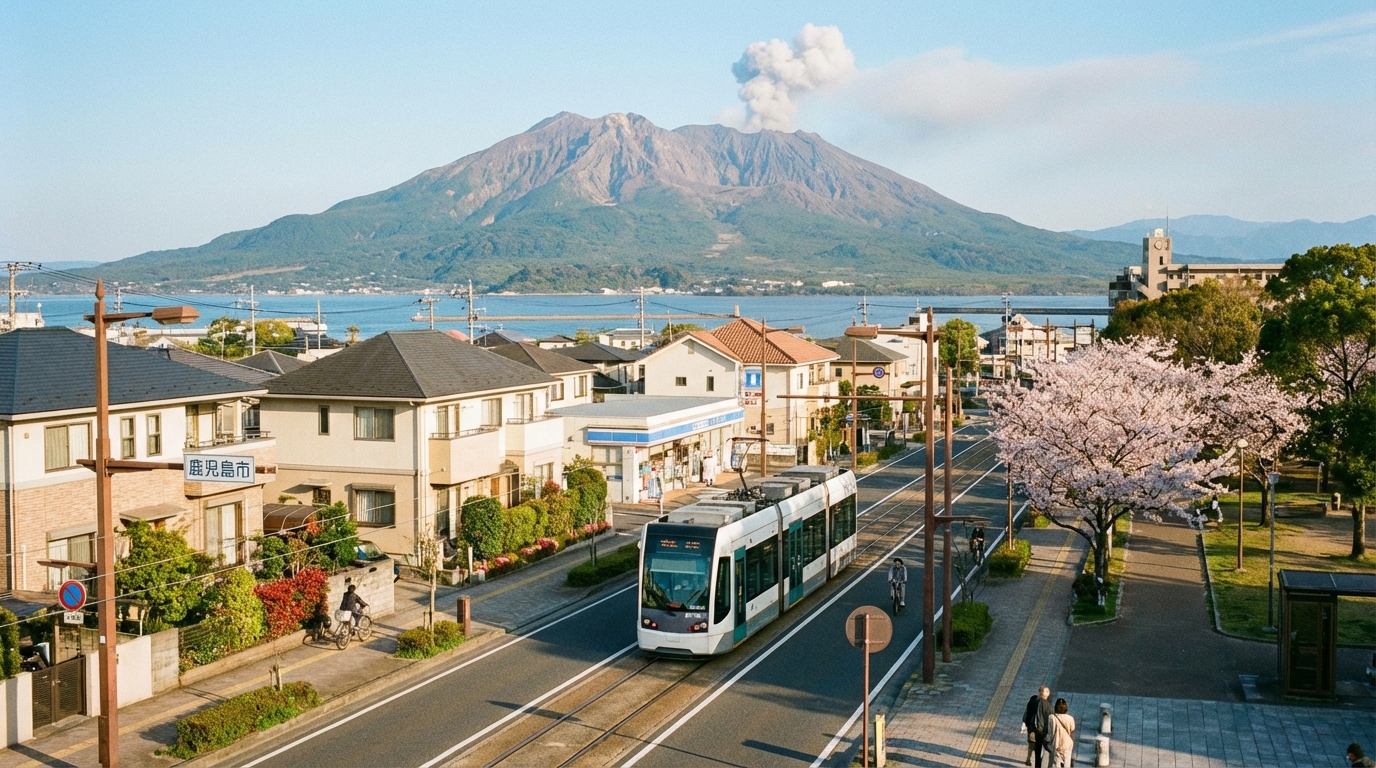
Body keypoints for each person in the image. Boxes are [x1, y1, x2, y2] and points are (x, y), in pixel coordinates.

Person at [1020, 686, 1054, 768]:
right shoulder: (1048, 705)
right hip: (1043, 730)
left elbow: (1027, 713)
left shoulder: (1033, 701)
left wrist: (1026, 724)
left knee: (1035, 748)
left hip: (1033, 728)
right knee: (1049, 749)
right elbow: (1051, 718)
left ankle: (1032, 762)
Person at [1048, 698, 1076, 768]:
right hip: (1067, 744)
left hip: (1056, 743)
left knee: (1056, 763)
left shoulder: (1051, 717)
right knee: (1067, 763)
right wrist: (1072, 742)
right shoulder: (1070, 718)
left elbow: (1049, 731)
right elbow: (1072, 732)